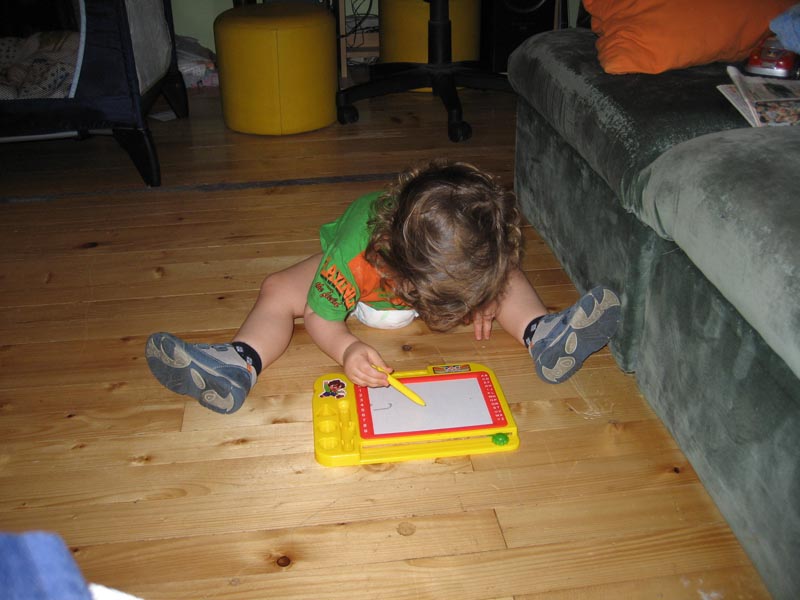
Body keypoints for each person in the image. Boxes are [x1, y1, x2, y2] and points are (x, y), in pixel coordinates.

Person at [145, 161, 621, 414]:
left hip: (427, 275)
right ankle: (240, 362)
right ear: (390, 256)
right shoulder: (355, 254)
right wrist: (347, 348)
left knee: (506, 271)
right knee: (278, 290)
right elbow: (321, 317)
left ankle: (542, 333)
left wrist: (485, 291)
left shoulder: (458, 245)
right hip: (361, 295)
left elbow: (487, 266)